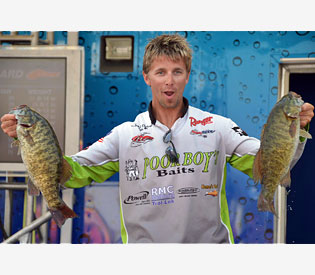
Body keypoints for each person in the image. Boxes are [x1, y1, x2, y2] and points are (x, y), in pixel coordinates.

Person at [1, 34, 314, 243]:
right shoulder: (124, 135)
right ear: (146, 77)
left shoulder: (218, 127)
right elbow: (71, 171)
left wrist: (294, 133)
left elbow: (268, 161)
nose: (169, 81)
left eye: (177, 71)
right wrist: (27, 140)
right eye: (161, 72)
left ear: (188, 76)